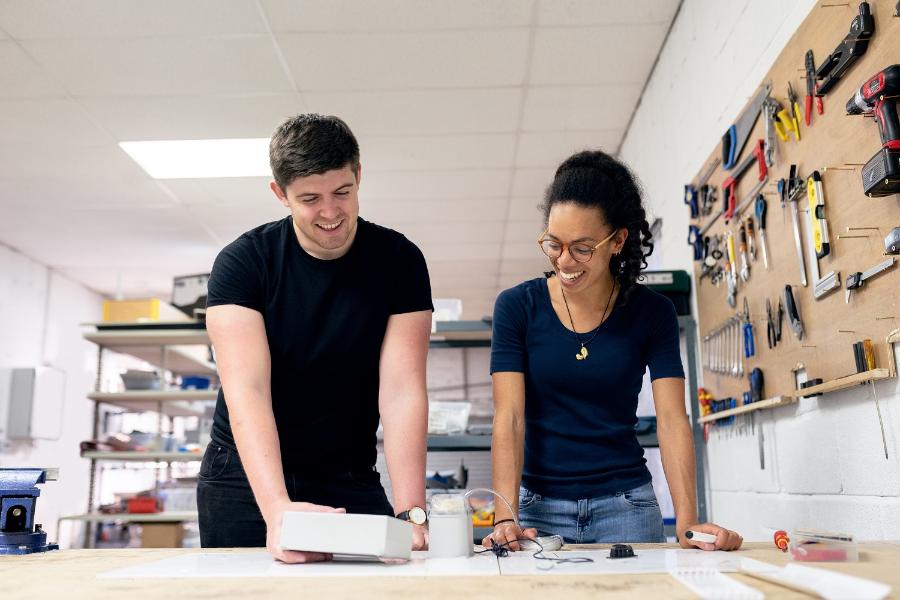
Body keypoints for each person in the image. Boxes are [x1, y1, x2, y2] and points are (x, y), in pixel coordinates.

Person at [200, 114, 433, 562]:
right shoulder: (243, 264)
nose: (330, 212)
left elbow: (402, 390)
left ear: (359, 175)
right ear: (280, 194)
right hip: (246, 479)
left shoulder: (399, 261)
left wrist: (411, 512)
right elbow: (246, 391)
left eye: (342, 192)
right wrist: (277, 511)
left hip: (346, 472)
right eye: (310, 198)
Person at [484, 150, 742, 552]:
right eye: (554, 243)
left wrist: (688, 521)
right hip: (538, 512)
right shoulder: (517, 307)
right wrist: (505, 515)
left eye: (583, 248)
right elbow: (510, 418)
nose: (564, 260)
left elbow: (673, 420)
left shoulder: (652, 313)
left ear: (618, 240)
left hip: (627, 507)